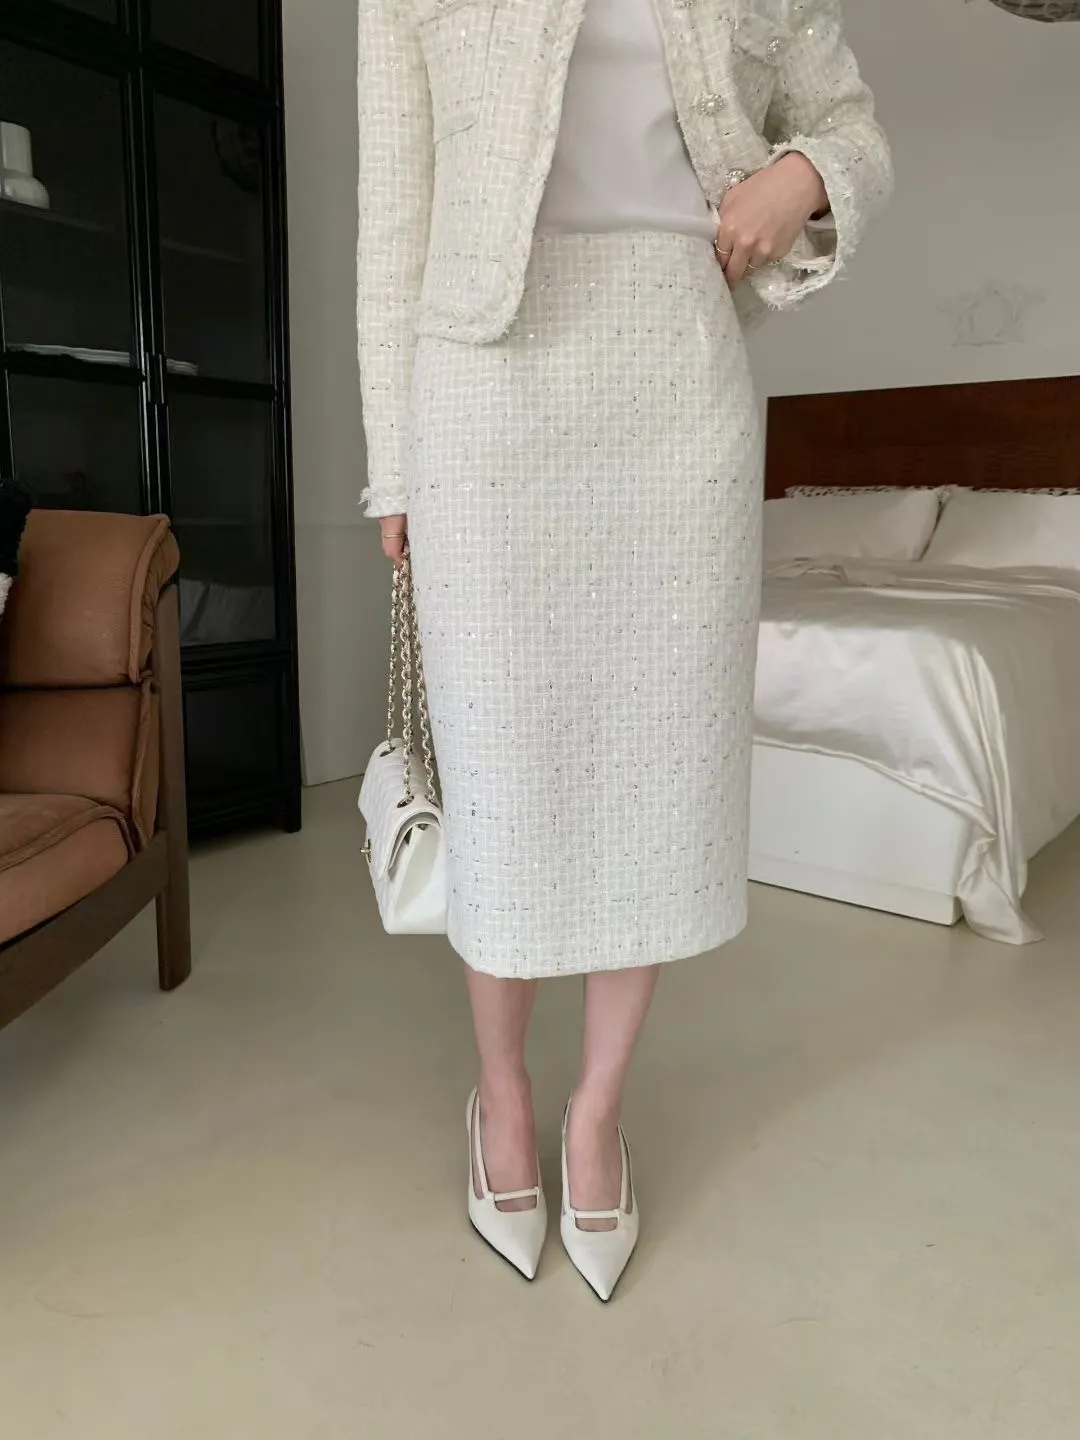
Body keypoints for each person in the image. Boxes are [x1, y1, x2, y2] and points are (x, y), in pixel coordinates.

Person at [357, 0, 891, 1300]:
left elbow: (852, 127)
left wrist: (803, 175)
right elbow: (393, 215)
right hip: (483, 381)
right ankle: (499, 1094)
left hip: (676, 372)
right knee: (503, 773)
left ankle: (596, 1108)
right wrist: (393, 468)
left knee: (655, 768)